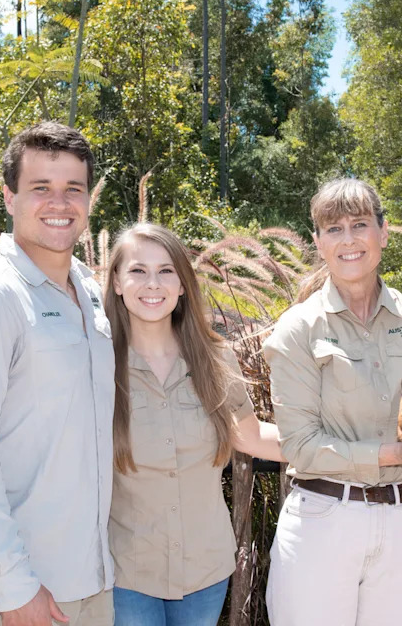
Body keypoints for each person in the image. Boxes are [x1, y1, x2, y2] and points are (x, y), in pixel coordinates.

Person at [263, 178, 402, 626]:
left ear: (384, 232)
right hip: (323, 524)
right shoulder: (297, 329)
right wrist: (395, 455)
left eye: (359, 225)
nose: (349, 240)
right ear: (319, 243)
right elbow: (300, 446)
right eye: (334, 229)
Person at [0, 122, 115, 626]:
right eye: (41, 188)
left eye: (73, 189)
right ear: (9, 197)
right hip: (18, 592)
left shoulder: (89, 292)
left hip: (91, 582)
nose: (60, 203)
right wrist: (12, 585)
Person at [103, 223, 284, 626]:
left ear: (183, 284)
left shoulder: (216, 360)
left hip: (204, 572)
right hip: (127, 572)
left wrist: (338, 445)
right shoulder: (97, 364)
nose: (153, 283)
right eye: (138, 270)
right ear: (116, 282)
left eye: (166, 271)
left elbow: (251, 436)